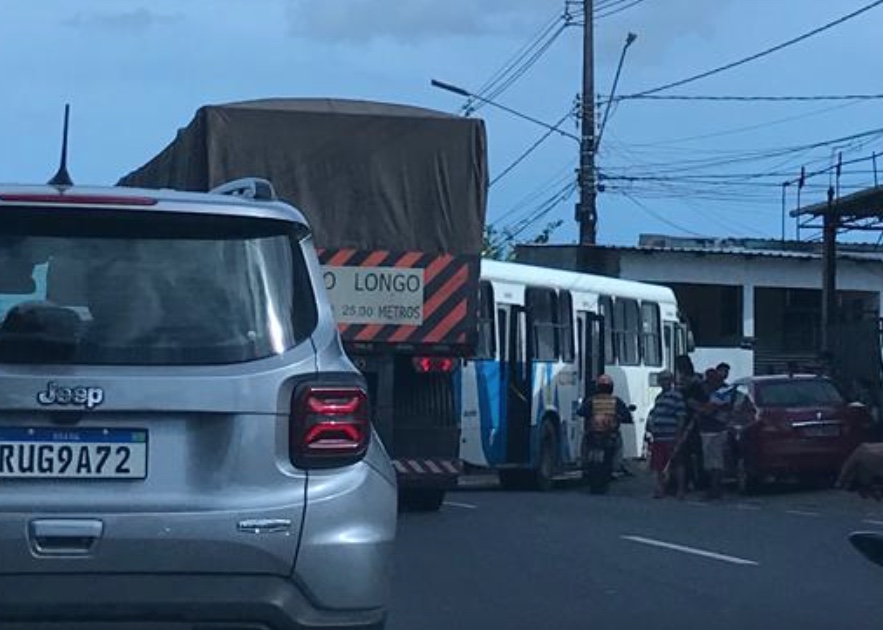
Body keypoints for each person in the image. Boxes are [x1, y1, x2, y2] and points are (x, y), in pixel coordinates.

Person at [578, 374, 633, 481]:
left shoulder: (592, 400)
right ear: (611, 388)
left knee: (584, 444)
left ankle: (585, 465)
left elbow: (581, 412)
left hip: (595, 433)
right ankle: (615, 466)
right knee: (618, 445)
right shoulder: (616, 401)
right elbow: (626, 415)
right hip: (609, 433)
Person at [647, 370, 687, 498]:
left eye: (667, 379)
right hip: (658, 437)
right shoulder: (659, 397)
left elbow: (681, 417)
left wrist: (678, 435)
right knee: (659, 465)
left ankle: (680, 490)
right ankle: (660, 489)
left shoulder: (676, 396)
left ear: (671, 381)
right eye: (662, 380)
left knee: (677, 463)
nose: (664, 382)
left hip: (671, 436)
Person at [700, 368, 732, 500]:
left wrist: (696, 406)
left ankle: (715, 489)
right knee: (713, 462)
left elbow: (709, 410)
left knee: (715, 462)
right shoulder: (723, 391)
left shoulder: (720, 393)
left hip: (714, 430)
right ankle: (714, 488)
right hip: (712, 429)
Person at [675, 354, 705, 493]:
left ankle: (695, 481)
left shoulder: (694, 385)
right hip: (687, 420)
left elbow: (698, 404)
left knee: (691, 453)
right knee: (688, 453)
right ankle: (690, 481)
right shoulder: (689, 383)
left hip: (692, 422)